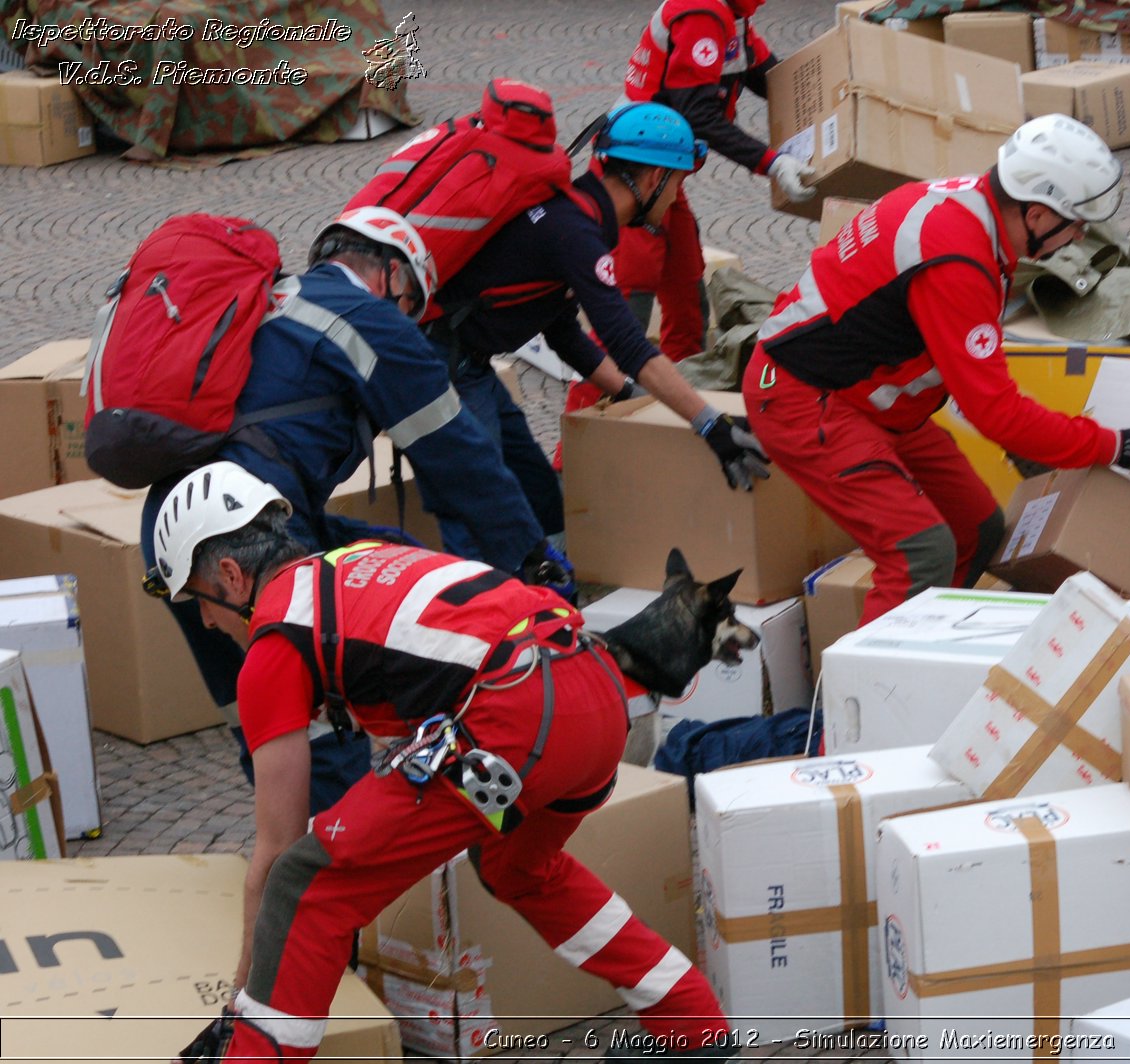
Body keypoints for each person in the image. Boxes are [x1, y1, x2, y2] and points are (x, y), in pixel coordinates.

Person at [156, 463, 736, 1063]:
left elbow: (277, 852)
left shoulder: (277, 639)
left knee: (309, 884)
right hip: (594, 692)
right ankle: (695, 1026)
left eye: (198, 601)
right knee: (518, 868)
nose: (203, 620)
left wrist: (240, 1007)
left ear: (229, 574)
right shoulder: (355, 563)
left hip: (515, 717)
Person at [140, 206, 562, 814]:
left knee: (368, 573)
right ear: (391, 274)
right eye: (413, 303)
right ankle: (331, 868)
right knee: (319, 706)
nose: (413, 321)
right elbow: (462, 458)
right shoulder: (369, 319)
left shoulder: (272, 305)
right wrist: (530, 562)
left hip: (170, 526)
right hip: (247, 530)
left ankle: (286, 833)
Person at [741, 115, 1130, 627]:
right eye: (1075, 222)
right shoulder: (957, 260)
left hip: (867, 398)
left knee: (975, 530)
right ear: (1039, 215)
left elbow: (958, 364)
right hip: (804, 399)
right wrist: (1114, 444)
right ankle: (865, 700)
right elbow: (993, 410)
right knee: (920, 554)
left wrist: (1029, 437)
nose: (1080, 236)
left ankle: (931, 650)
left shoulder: (967, 206)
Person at [432, 101, 769, 498]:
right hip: (440, 363)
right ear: (653, 180)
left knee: (541, 499)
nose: (676, 196)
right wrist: (711, 425)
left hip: (466, 361)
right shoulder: (578, 236)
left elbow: (562, 333)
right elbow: (628, 345)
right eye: (677, 183)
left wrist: (631, 395)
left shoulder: (575, 213)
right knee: (487, 507)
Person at [612, 0, 814, 362]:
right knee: (628, 307)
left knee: (688, 295)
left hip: (663, 178)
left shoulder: (732, 13)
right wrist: (771, 163)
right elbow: (698, 114)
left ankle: (681, 396)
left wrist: (826, 92)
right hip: (636, 179)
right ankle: (594, 411)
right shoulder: (703, 14)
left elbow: (765, 74)